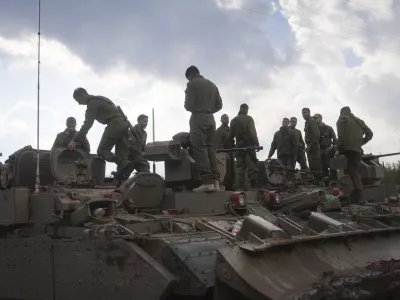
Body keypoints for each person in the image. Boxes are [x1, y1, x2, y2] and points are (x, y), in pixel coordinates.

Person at [68, 87, 134, 180]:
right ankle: (122, 179)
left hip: (115, 124)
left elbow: (87, 124)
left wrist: (75, 140)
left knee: (102, 151)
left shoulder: (92, 104)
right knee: (121, 156)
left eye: (78, 100)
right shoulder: (101, 99)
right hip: (124, 124)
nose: (79, 103)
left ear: (83, 95)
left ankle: (124, 164)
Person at [184, 65, 223, 192]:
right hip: (211, 119)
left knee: (200, 149)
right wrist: (209, 110)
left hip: (198, 118)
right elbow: (219, 105)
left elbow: (188, 105)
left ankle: (207, 182)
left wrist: (199, 108)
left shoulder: (192, 84)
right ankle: (216, 182)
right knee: (211, 150)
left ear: (190, 76)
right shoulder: (212, 84)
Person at [336, 106, 373, 204]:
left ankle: (333, 181)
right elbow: (370, 134)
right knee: (354, 171)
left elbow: (340, 136)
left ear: (342, 112)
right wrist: (359, 143)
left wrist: (337, 149)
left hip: (345, 148)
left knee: (329, 152)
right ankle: (359, 195)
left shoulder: (341, 119)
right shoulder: (359, 121)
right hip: (357, 150)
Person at [226, 104, 259, 191]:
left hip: (239, 147)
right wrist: (257, 144)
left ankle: (240, 187)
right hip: (249, 146)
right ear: (246, 109)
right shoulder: (249, 118)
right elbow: (253, 133)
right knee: (252, 166)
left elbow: (230, 136)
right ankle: (253, 186)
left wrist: (230, 145)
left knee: (240, 167)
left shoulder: (233, 120)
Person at [215, 114, 235, 190]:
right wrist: (224, 153)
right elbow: (218, 143)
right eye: (224, 118)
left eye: (227, 118)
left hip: (231, 152)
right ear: (221, 120)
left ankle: (231, 187)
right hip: (223, 154)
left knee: (232, 171)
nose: (226, 120)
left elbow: (232, 142)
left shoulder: (230, 130)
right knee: (226, 172)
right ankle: (226, 187)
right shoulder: (219, 131)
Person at [302, 108, 321, 173]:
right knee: (312, 168)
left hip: (314, 148)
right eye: (302, 113)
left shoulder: (312, 121)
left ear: (309, 112)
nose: (303, 114)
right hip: (310, 148)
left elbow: (317, 134)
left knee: (316, 168)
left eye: (305, 112)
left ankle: (319, 182)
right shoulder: (307, 122)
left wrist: (312, 145)